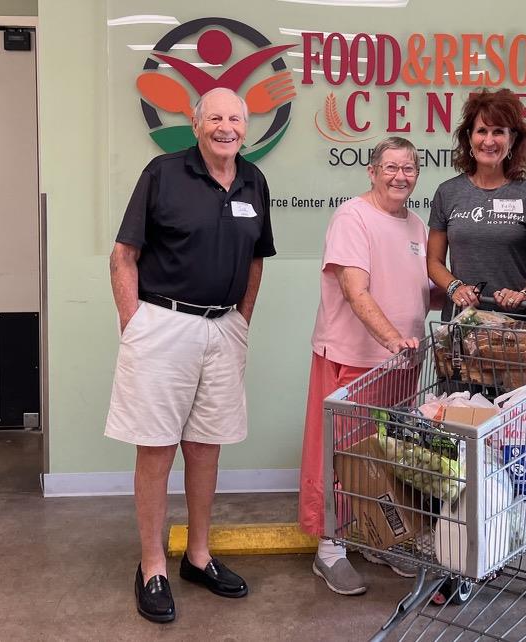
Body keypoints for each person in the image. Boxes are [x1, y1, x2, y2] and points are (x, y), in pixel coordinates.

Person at [105, 87, 275, 624]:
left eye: (235, 118)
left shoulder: (254, 180)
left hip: (224, 329)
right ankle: (153, 563)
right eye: (215, 118)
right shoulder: (163, 173)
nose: (226, 127)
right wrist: (135, 325)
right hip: (162, 324)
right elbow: (123, 255)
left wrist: (241, 321)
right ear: (195, 124)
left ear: (246, 127)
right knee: (156, 448)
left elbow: (255, 259)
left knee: (206, 447)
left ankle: (197, 556)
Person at [299, 136, 437, 595]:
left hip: (402, 364)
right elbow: (356, 291)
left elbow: (417, 290)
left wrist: (460, 293)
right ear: (372, 171)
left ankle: (381, 537)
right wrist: (392, 339)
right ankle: (329, 548)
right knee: (341, 456)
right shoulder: (352, 217)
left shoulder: (416, 225)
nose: (401, 176)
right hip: (354, 359)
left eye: (410, 168)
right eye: (391, 167)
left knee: (390, 459)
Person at [427, 88, 526, 316]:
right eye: (482, 130)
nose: (489, 141)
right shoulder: (448, 192)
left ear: (512, 139)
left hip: (514, 327)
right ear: (469, 137)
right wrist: (455, 288)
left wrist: (525, 294)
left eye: (499, 132)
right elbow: (433, 261)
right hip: (460, 322)